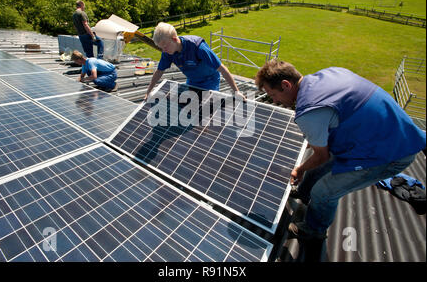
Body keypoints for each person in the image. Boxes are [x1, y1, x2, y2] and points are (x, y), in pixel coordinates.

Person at [255, 59, 426, 240]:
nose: (274, 101)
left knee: (324, 192)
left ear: (286, 85)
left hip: (390, 153)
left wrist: (299, 169)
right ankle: (303, 192)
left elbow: (321, 156)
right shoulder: (331, 73)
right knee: (321, 167)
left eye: (273, 95)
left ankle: (313, 231)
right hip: (388, 132)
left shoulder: (309, 111)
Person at [144, 22, 244, 99]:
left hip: (210, 81)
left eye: (165, 46)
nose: (164, 50)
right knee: (190, 108)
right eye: (162, 48)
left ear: (174, 39)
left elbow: (222, 68)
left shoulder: (198, 47)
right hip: (192, 80)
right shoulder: (168, 52)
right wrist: (149, 91)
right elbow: (159, 71)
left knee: (207, 109)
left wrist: (236, 91)